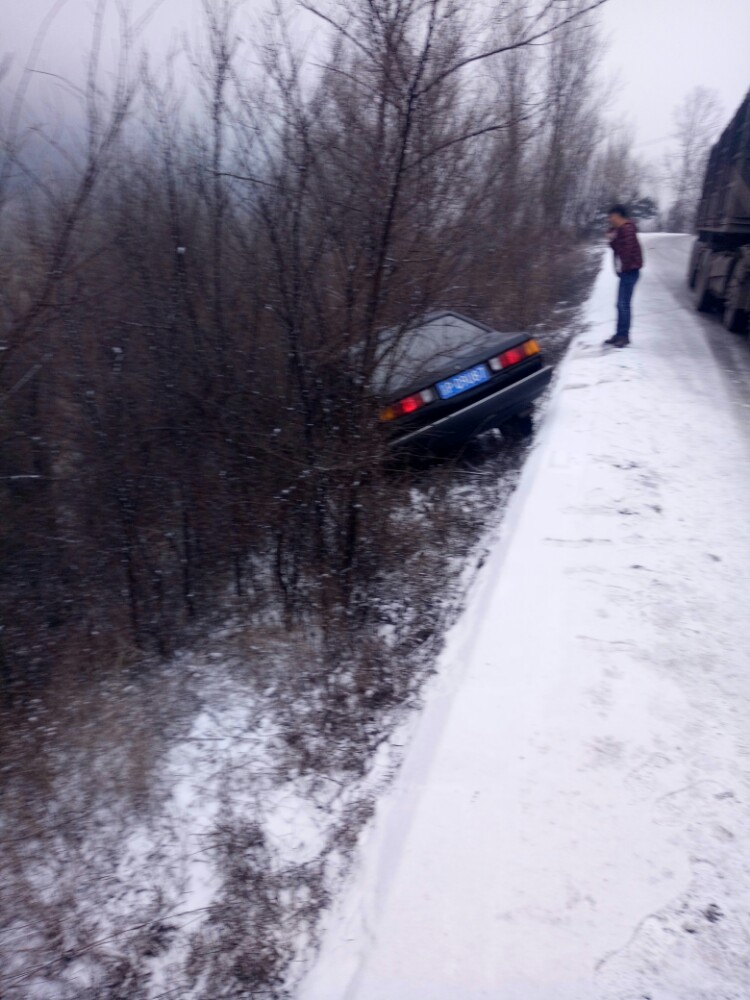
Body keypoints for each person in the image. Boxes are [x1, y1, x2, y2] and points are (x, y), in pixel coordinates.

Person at [604, 204, 643, 348]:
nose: (610, 219)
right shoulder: (622, 230)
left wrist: (613, 239)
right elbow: (618, 249)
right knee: (621, 304)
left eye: (611, 216)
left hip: (630, 271)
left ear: (617, 215)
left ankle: (623, 336)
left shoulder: (627, 229)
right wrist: (612, 239)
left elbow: (624, 252)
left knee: (623, 304)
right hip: (627, 271)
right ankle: (620, 334)